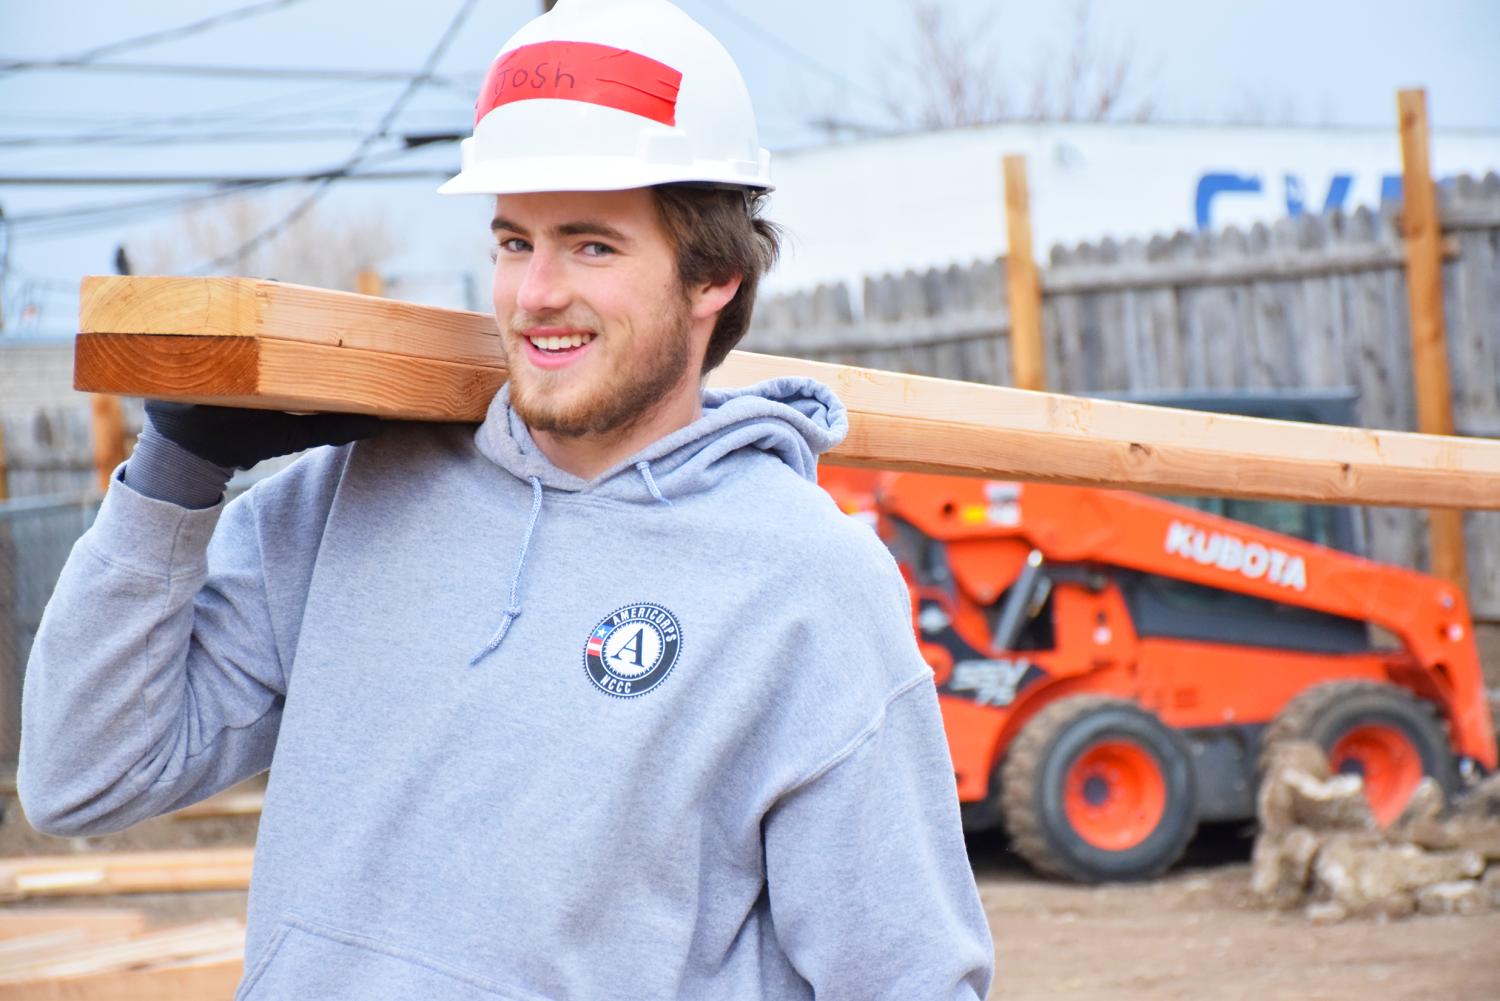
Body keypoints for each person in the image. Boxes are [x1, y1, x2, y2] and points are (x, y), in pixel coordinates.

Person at [19, 1, 995, 997]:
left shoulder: (805, 586)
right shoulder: (344, 498)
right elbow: (84, 775)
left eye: (592, 246)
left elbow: (910, 978)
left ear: (714, 277)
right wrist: (177, 472)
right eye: (514, 241)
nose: (534, 295)